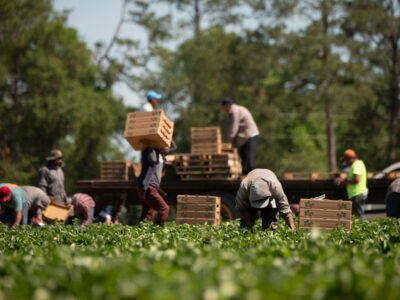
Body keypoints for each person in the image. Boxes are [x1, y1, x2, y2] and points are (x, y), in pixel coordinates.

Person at [137, 140, 176, 226]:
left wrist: (168, 137)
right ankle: (158, 229)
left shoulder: (162, 155)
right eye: (165, 144)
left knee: (148, 212)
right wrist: (151, 145)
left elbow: (174, 147)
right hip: (147, 187)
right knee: (164, 208)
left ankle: (141, 231)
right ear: (159, 145)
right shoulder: (149, 153)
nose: (167, 146)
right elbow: (153, 159)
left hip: (149, 187)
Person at [221, 97, 259, 175]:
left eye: (223, 107)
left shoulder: (234, 111)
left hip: (250, 134)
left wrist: (229, 139)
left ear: (227, 105)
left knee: (248, 157)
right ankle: (245, 175)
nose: (223, 109)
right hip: (245, 136)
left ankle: (251, 177)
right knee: (243, 156)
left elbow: (234, 126)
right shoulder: (235, 109)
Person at [335, 149, 368, 219]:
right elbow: (352, 178)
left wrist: (344, 182)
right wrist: (343, 180)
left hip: (357, 194)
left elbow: (356, 180)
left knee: (358, 217)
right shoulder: (358, 164)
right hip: (357, 194)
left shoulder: (356, 165)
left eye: (345, 160)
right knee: (357, 215)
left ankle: (363, 229)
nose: (345, 163)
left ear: (350, 159)